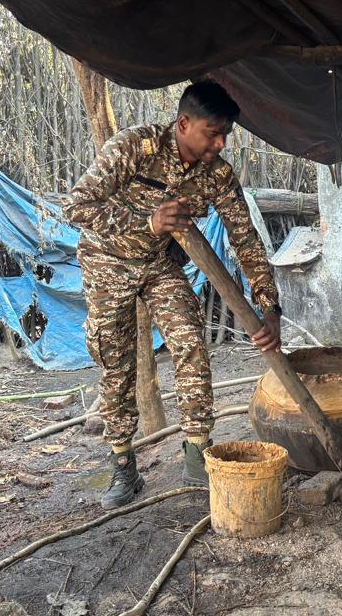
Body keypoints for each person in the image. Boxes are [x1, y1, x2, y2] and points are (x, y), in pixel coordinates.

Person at [65, 81, 281, 508]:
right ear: (183, 123)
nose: (219, 144)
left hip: (161, 265)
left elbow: (246, 240)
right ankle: (123, 464)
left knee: (189, 341)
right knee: (115, 363)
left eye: (225, 136)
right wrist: (147, 221)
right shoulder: (134, 146)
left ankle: (198, 452)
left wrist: (269, 306)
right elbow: (76, 206)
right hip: (108, 262)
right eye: (212, 133)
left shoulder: (216, 173)